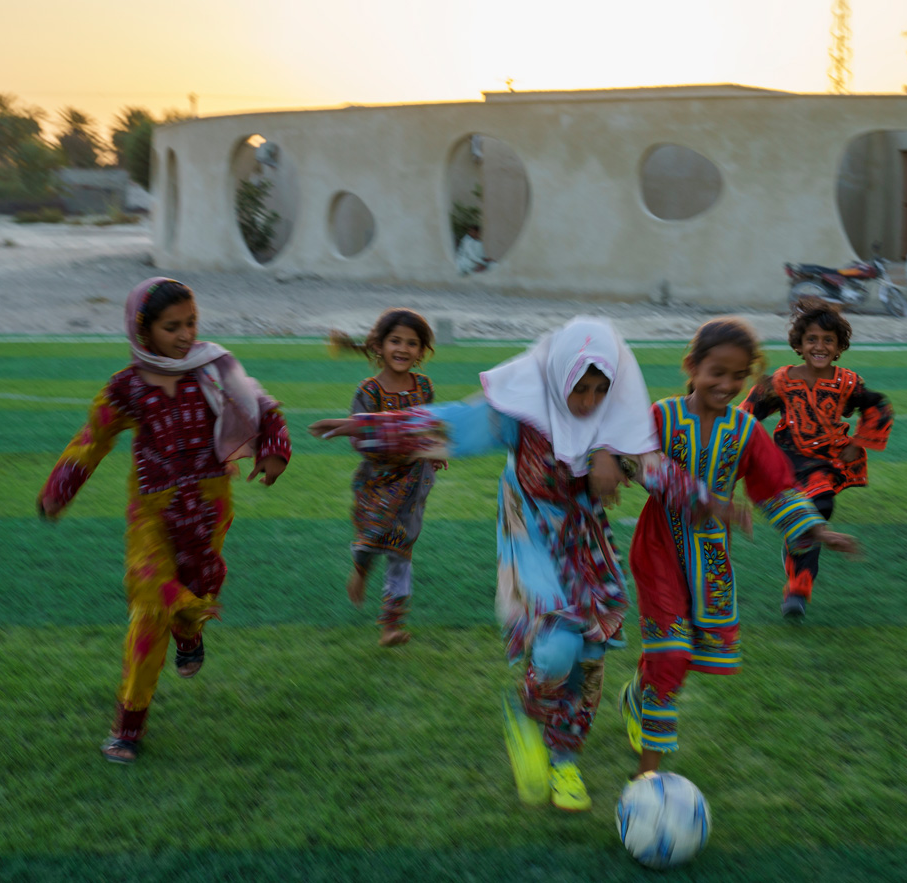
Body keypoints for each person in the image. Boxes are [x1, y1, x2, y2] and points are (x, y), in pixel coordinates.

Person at [309, 318, 728, 812]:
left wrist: (709, 501)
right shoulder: (521, 412)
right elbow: (449, 425)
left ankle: (565, 760)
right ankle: (528, 716)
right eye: (581, 388)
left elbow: (654, 467)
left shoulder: (613, 425)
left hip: (587, 547)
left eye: (601, 389)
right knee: (555, 650)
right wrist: (367, 426)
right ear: (557, 377)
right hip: (531, 538)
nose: (591, 401)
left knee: (590, 659)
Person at [38, 278, 292, 764]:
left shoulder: (214, 367)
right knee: (151, 600)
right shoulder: (127, 386)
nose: (184, 335)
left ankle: (190, 630)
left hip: (209, 507)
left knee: (196, 590)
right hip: (152, 513)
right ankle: (128, 725)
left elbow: (261, 406)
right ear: (142, 329)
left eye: (191, 323)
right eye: (170, 327)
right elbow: (93, 438)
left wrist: (274, 450)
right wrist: (59, 488)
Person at [621, 318, 859, 776]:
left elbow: (775, 488)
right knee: (670, 655)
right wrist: (703, 498)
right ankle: (648, 776)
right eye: (717, 372)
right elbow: (635, 462)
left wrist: (817, 530)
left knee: (680, 655)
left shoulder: (746, 431)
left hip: (710, 557)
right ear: (692, 366)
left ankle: (637, 693)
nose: (727, 384)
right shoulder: (662, 416)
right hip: (658, 551)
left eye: (738, 376)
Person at [740, 300, 892, 618]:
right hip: (788, 461)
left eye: (827, 340)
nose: (819, 346)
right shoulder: (780, 381)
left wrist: (859, 442)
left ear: (838, 347)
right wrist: (728, 438)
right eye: (812, 339)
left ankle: (799, 582)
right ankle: (798, 586)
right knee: (808, 518)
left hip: (828, 462)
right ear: (799, 344)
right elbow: (746, 414)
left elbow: (878, 405)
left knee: (818, 511)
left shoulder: (848, 382)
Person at [331, 310, 441, 646]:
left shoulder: (424, 387)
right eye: (396, 341)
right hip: (377, 482)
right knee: (371, 539)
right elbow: (359, 437)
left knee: (400, 550)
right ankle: (361, 569)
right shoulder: (368, 391)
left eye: (412, 343)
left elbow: (431, 425)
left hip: (414, 483)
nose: (403, 349)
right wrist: (394, 442)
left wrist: (435, 449)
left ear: (421, 351)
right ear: (379, 345)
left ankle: (391, 623)